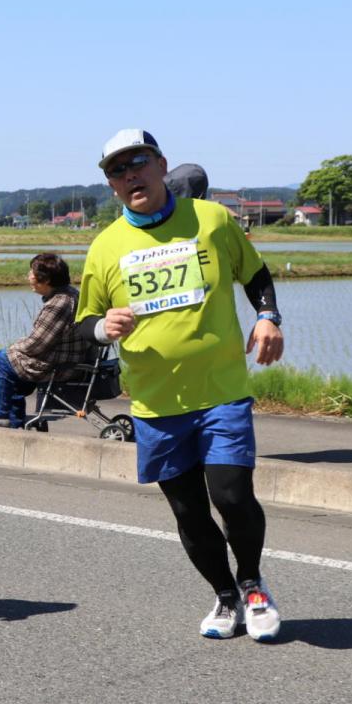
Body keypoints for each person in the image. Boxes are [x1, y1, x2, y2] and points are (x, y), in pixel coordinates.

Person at [76, 129, 285, 641]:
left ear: (161, 165)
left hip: (220, 391)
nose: (130, 175)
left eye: (138, 163)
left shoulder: (211, 220)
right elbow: (84, 322)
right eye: (117, 170)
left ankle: (253, 584)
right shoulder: (105, 247)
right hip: (155, 403)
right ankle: (225, 596)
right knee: (189, 512)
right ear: (111, 185)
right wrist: (104, 327)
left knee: (231, 496)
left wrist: (267, 317)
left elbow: (255, 275)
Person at [0, 253, 85, 428]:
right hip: (68, 361)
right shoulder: (71, 293)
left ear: (46, 280)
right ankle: (14, 423)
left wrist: (14, 347)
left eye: (32, 273)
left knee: (2, 358)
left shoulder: (58, 304)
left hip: (58, 365)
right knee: (13, 365)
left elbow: (36, 344)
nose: (28, 276)